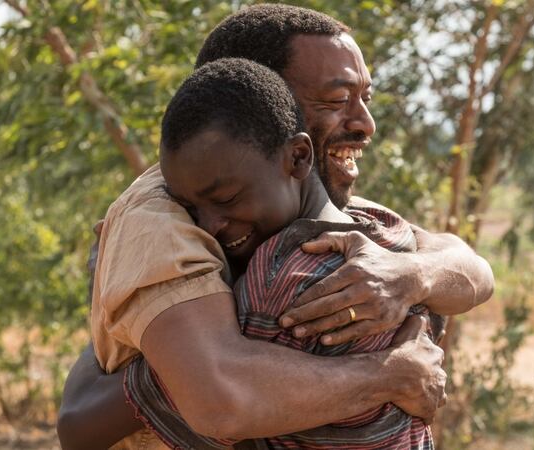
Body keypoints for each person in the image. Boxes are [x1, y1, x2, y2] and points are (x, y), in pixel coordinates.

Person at [57, 4, 494, 450]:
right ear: (261, 101)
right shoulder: (164, 219)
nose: (365, 124)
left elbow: (473, 269)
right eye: (335, 100)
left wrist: (411, 275)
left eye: (365, 98)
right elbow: (222, 397)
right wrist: (393, 374)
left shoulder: (335, 219)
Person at [128, 56, 433, 449]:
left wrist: (140, 351)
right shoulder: (391, 233)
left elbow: (217, 407)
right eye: (190, 208)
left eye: (227, 198)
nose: (207, 227)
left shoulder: (277, 282)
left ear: (299, 157)